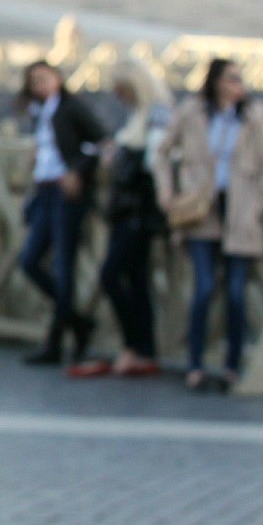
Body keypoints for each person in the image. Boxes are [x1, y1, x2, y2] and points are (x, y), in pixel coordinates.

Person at [154, 58, 263, 392]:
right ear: (218, 82)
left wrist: (259, 206)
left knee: (236, 292)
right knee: (204, 288)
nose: (240, 85)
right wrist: (167, 191)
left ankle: (231, 364)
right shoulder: (193, 111)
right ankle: (195, 363)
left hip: (239, 208)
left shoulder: (254, 115)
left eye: (241, 79)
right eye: (233, 79)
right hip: (200, 209)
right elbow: (163, 152)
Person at [67, 56, 171, 378]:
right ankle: (144, 349)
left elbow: (156, 162)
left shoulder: (155, 116)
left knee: (112, 275)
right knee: (136, 280)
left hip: (138, 212)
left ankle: (133, 347)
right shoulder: (141, 116)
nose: (118, 96)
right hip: (131, 210)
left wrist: (119, 158)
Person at [16, 60, 107, 366]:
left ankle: (56, 339)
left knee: (63, 264)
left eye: (44, 78)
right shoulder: (40, 111)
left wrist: (77, 170)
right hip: (44, 190)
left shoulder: (71, 107)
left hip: (65, 193)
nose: (40, 85)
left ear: (57, 78)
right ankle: (77, 321)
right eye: (34, 81)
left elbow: (100, 141)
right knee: (29, 260)